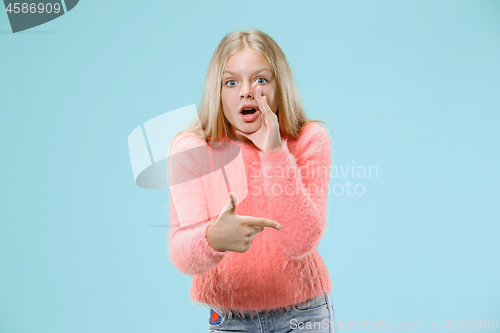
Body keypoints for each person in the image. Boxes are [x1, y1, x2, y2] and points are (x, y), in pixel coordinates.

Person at [166, 29, 335, 333]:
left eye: (260, 80)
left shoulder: (309, 140)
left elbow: (301, 241)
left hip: (303, 315)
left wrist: (273, 152)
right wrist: (212, 238)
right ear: (217, 92)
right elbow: (181, 253)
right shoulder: (192, 149)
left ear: (278, 86)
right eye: (232, 82)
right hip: (229, 320)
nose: (247, 91)